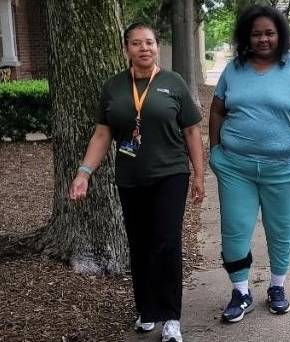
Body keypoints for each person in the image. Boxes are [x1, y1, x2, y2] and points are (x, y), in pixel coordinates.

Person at [69, 23, 204, 342]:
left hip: (171, 174)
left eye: (149, 43)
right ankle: (147, 309)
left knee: (166, 242)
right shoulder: (114, 87)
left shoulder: (174, 83)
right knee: (140, 243)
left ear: (157, 46)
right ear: (126, 49)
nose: (144, 48)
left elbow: (192, 132)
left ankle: (171, 316)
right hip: (130, 177)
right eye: (136, 43)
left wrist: (199, 174)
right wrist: (83, 173)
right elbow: (102, 135)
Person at [209, 5, 290, 323]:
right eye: (256, 33)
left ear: (280, 35)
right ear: (247, 36)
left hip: (285, 166)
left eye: (269, 33)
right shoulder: (234, 69)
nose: (263, 39)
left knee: (282, 231)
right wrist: (214, 149)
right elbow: (217, 109)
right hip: (235, 166)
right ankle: (240, 291)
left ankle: (277, 287)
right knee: (235, 231)